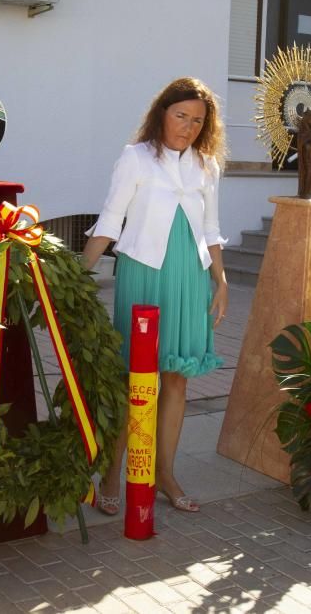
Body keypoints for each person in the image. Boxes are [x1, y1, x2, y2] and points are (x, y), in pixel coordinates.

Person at [82, 77, 229, 514]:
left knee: (177, 379)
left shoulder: (207, 166)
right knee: (135, 380)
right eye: (180, 115)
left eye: (197, 121)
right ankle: (112, 473)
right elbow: (109, 221)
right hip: (144, 276)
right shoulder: (136, 158)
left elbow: (211, 229)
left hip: (191, 278)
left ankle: (164, 472)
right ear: (162, 113)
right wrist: (75, 276)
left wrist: (220, 282)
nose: (187, 126)